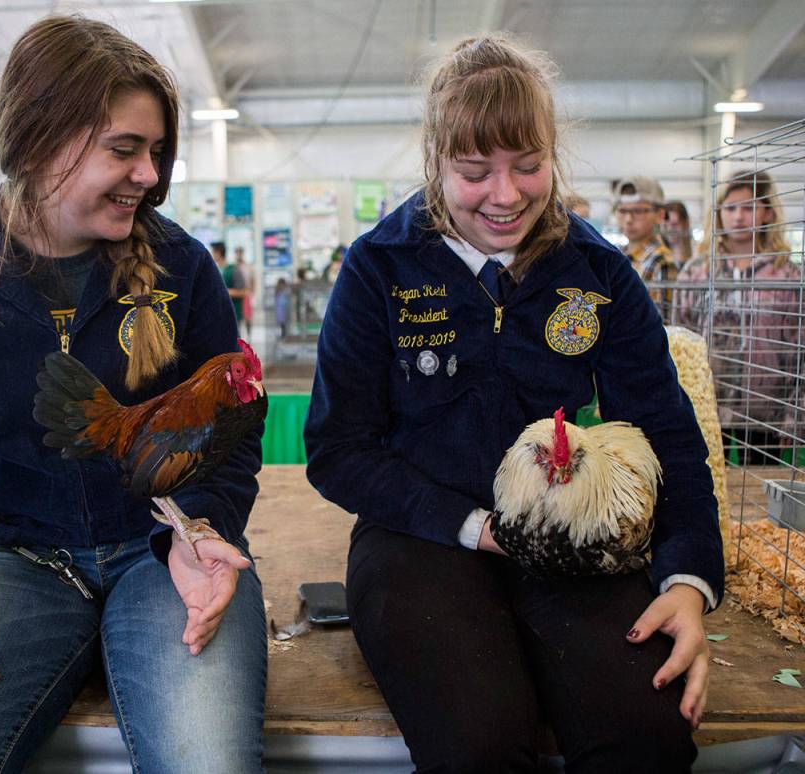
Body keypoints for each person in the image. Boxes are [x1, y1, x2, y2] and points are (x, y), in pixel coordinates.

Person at [0, 16, 267, 774]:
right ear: (40, 140)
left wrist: (205, 530)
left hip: (165, 547)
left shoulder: (184, 266)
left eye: (156, 151)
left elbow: (231, 441)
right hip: (17, 560)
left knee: (209, 762)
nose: (149, 173)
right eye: (124, 149)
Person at [304, 34, 723, 773]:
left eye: (528, 166)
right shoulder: (380, 268)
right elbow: (338, 449)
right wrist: (474, 527)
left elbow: (667, 432)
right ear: (434, 160)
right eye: (474, 173)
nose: (506, 196)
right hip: (421, 537)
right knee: (479, 740)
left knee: (645, 730)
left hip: (570, 534)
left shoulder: (595, 268)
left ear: (551, 155)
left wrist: (688, 579)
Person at [675, 170, 800, 465]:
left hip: (765, 411)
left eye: (749, 207)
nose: (739, 216)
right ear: (719, 215)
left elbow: (800, 350)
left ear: (768, 212)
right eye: (730, 209)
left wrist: (796, 414)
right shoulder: (697, 273)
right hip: (704, 404)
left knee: (757, 492)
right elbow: (680, 335)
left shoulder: (787, 274)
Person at [614, 175, 680, 321]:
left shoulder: (662, 261)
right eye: (623, 211)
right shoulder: (616, 255)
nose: (628, 219)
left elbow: (662, 322)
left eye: (638, 211)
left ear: (660, 215)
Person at [212, 240, 249, 330]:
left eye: (213, 252)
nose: (211, 255)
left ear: (219, 252)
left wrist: (223, 291)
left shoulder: (233, 270)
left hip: (233, 313)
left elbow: (243, 292)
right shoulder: (214, 270)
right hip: (218, 314)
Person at [662, 200, 694, 266]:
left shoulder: (697, 253)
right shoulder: (658, 254)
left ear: (686, 223)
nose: (669, 229)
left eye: (675, 224)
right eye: (665, 225)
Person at [235, 246, 255, 339]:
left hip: (246, 294)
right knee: (237, 317)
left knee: (247, 318)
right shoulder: (234, 267)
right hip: (237, 296)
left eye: (240, 253)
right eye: (237, 253)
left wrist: (251, 293)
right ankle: (238, 337)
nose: (239, 255)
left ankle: (249, 335)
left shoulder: (247, 267)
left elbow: (252, 280)